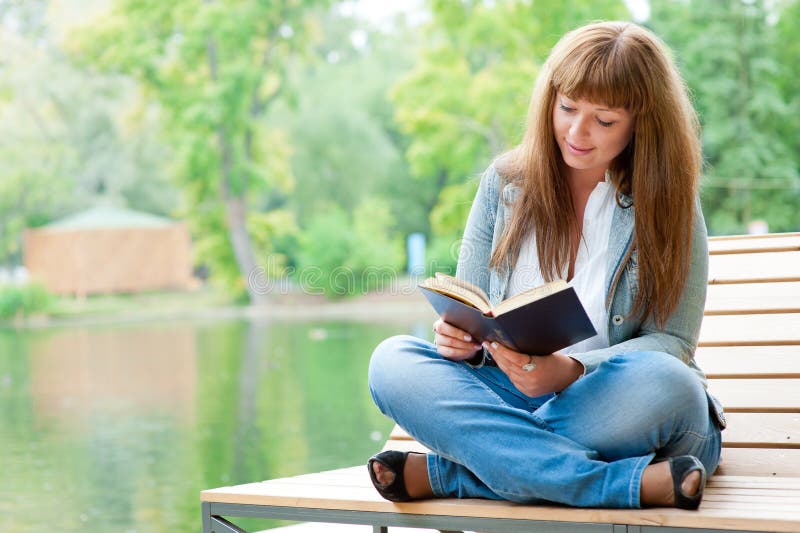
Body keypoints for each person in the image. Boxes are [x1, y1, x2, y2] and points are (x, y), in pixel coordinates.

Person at [366, 20, 726, 510]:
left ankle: (459, 474)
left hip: (614, 405)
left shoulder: (670, 201)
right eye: (567, 108)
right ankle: (620, 484)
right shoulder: (504, 182)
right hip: (511, 396)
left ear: (643, 122)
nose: (577, 132)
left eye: (604, 120)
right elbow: (472, 306)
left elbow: (673, 342)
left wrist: (570, 370)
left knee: (672, 385)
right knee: (392, 362)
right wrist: (462, 345)